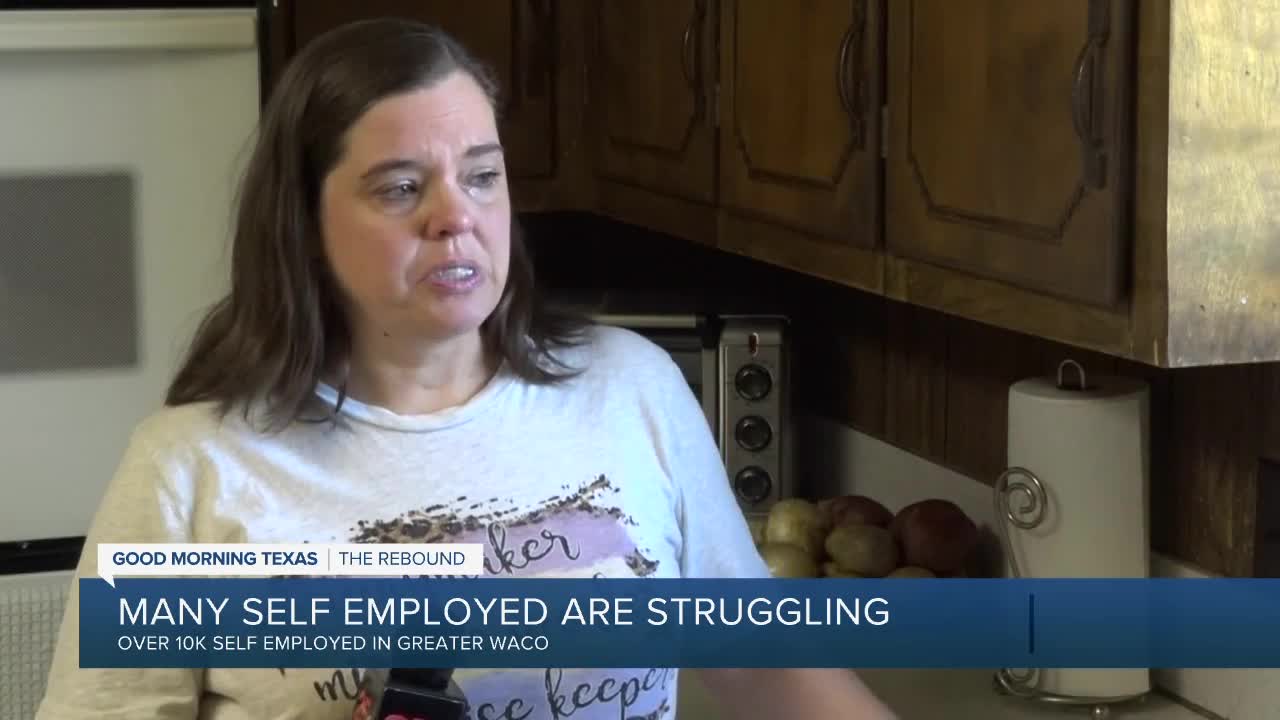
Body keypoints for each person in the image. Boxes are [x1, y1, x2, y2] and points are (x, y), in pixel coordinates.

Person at [35, 17, 896, 720]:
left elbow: (761, 664)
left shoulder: (633, 389)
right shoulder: (189, 467)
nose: (456, 216)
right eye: (400, 188)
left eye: (481, 176)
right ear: (304, 223)